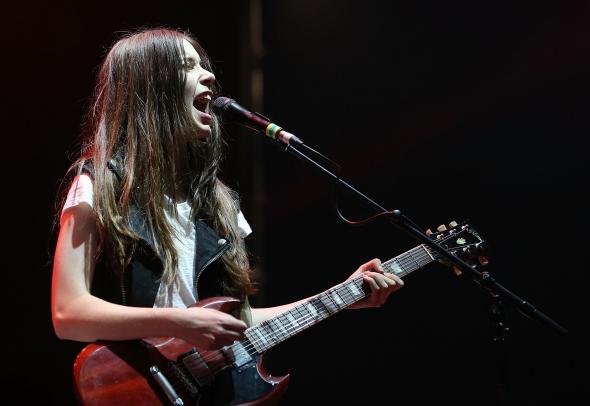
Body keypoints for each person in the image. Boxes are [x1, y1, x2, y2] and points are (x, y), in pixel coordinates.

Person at [51, 27, 403, 390]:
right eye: (188, 67)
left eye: (202, 65)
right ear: (151, 86)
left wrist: (341, 298)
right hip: (135, 388)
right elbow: (69, 313)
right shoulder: (100, 185)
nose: (210, 76)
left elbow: (241, 320)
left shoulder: (219, 203)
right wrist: (179, 322)